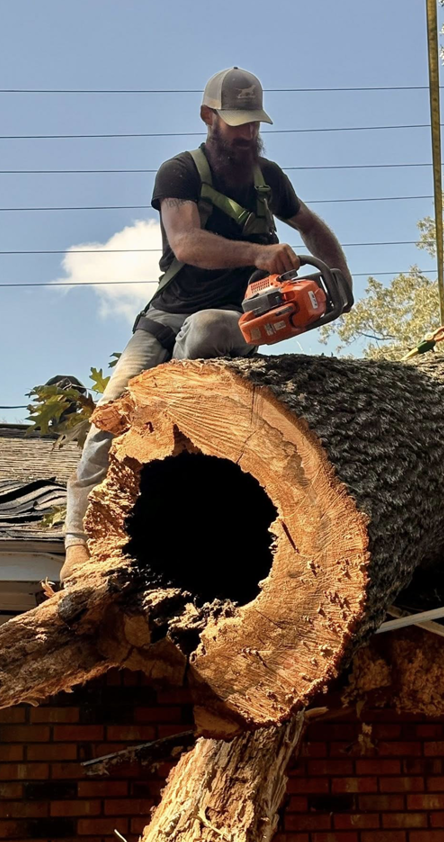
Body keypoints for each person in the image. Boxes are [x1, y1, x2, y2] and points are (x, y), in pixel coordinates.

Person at [61, 66, 353, 580]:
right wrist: (259, 254)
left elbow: (309, 225)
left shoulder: (270, 180)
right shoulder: (180, 173)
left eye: (254, 125)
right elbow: (187, 245)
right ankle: (76, 541)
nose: (247, 135)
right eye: (237, 123)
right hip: (161, 319)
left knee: (203, 331)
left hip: (231, 320)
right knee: (111, 409)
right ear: (208, 117)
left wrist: (339, 275)